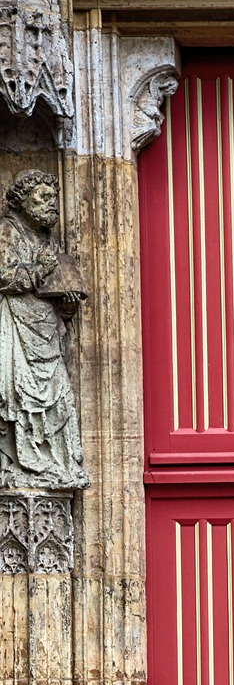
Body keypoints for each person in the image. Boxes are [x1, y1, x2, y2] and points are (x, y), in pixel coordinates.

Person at [0, 170, 89, 490]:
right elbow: (4, 277)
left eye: (53, 198)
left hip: (46, 331)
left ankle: (56, 463)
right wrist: (41, 270)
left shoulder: (48, 237)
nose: (51, 203)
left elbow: (54, 288)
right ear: (23, 202)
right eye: (42, 197)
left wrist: (67, 301)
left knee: (59, 396)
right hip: (17, 328)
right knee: (20, 398)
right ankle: (24, 466)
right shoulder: (8, 231)